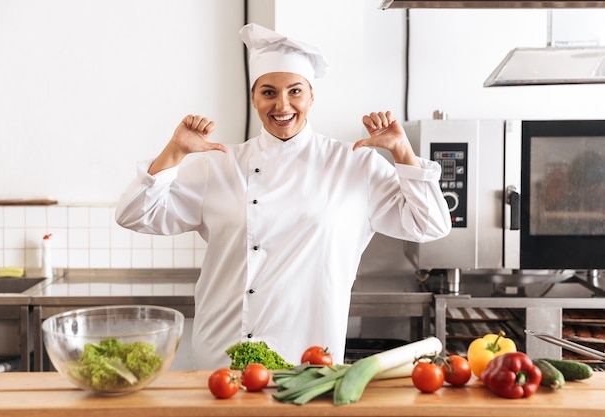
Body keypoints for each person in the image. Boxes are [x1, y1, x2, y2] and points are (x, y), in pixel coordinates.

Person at [115, 23, 451, 370]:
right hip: (223, 348)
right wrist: (174, 151)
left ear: (311, 96)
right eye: (269, 92)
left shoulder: (354, 164)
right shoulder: (219, 164)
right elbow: (133, 214)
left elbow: (430, 225)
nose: (282, 105)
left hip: (310, 354)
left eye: (295, 91)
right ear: (253, 98)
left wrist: (402, 153)